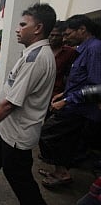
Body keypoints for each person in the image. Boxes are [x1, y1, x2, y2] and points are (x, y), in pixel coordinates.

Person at [0, 3, 56, 205]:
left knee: (19, 177)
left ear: (38, 28)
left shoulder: (35, 59)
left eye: (22, 24)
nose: (17, 29)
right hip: (8, 128)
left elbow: (10, 104)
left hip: (18, 134)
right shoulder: (32, 53)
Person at [39, 14, 101, 188]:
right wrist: (64, 94)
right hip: (73, 104)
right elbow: (81, 79)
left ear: (82, 30)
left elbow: (97, 87)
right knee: (64, 140)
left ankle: (62, 172)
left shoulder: (95, 49)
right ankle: (60, 171)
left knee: (48, 134)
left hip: (80, 109)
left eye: (67, 34)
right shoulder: (83, 49)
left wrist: (67, 101)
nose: (65, 38)